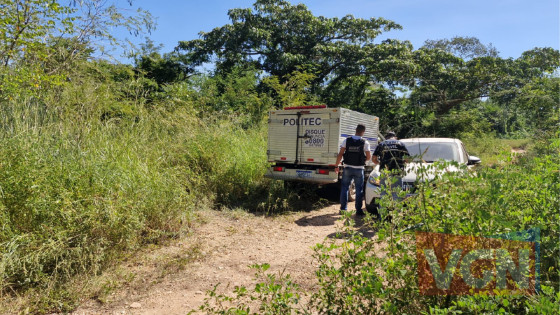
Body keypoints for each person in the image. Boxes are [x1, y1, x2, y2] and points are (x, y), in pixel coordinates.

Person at [372, 131, 410, 219]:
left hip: (385, 173)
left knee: (383, 195)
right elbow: (407, 159)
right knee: (396, 196)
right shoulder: (401, 144)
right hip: (397, 173)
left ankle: (382, 218)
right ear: (395, 137)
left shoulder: (382, 144)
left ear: (387, 137)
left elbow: (374, 158)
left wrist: (380, 163)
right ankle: (396, 219)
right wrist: (402, 163)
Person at [335, 124, 371, 216]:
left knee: (344, 188)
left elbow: (340, 154)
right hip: (359, 169)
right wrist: (362, 161)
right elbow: (368, 157)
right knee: (359, 190)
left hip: (347, 168)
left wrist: (336, 165)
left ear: (356, 130)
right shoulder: (365, 142)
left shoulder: (347, 140)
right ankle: (358, 210)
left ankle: (343, 209)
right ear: (363, 132)